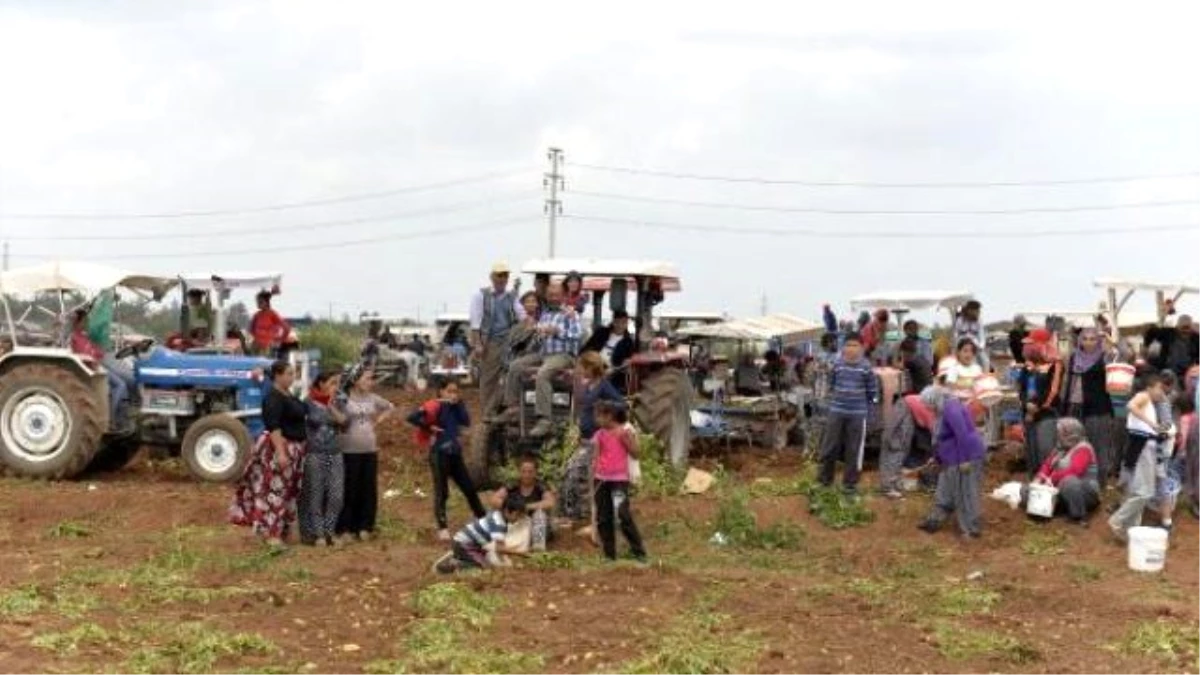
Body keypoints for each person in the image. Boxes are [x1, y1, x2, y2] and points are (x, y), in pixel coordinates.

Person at [229, 361, 306, 549]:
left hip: (295, 448)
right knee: (275, 492)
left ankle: (284, 532)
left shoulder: (289, 395)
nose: (292, 377)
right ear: (277, 376)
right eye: (288, 373)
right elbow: (274, 427)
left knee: (288, 493)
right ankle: (271, 535)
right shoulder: (273, 398)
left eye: (293, 373)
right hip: (281, 448)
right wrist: (280, 452)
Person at [407, 378, 486, 541]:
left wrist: (459, 404)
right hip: (439, 454)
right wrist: (429, 427)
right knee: (442, 491)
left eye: (455, 391)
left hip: (455, 453)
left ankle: (483, 519)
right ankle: (442, 526)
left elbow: (466, 421)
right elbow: (412, 417)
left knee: (469, 488)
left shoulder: (456, 407)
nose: (453, 394)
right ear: (441, 391)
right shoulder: (434, 405)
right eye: (449, 391)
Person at [499, 284, 582, 437]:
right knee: (515, 365)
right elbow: (539, 339)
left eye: (556, 294)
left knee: (543, 373)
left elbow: (576, 335)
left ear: (563, 295)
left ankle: (544, 419)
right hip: (544, 353)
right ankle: (512, 407)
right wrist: (536, 332)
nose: (553, 297)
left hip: (563, 354)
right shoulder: (545, 314)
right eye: (550, 294)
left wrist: (557, 331)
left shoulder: (571, 314)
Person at [560, 352, 626, 521]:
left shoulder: (603, 386)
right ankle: (574, 513)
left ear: (591, 367)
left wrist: (604, 407)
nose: (580, 369)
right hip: (584, 439)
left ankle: (586, 514)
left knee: (578, 473)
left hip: (596, 441)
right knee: (569, 472)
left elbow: (622, 404)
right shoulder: (588, 384)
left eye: (583, 366)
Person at [335, 364, 394, 542]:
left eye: (371, 378)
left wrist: (378, 421)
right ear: (354, 379)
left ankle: (365, 526)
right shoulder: (342, 398)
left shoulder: (372, 398)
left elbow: (390, 406)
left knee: (368, 489)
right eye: (367, 378)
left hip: (369, 449)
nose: (371, 382)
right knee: (349, 489)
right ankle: (346, 528)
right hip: (348, 450)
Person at [917, 385, 985, 538]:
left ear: (934, 400)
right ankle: (934, 521)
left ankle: (971, 529)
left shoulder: (951, 408)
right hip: (951, 458)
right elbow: (943, 438)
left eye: (928, 405)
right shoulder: (942, 410)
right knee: (944, 490)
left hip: (965, 457)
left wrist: (965, 460)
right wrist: (937, 458)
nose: (928, 409)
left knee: (964, 493)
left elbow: (962, 435)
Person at [1109, 374, 1171, 541]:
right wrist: (1152, 424)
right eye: (1158, 388)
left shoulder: (1150, 401)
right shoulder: (1143, 396)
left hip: (1144, 446)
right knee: (1145, 492)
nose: (1161, 391)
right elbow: (1131, 405)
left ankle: (1129, 528)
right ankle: (1118, 521)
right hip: (1143, 447)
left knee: (1138, 490)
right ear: (1150, 387)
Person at [817, 333, 879, 495]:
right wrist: (829, 406)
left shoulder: (866, 367)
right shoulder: (837, 365)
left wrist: (870, 413)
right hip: (836, 412)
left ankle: (849, 486)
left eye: (855, 345)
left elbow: (873, 392)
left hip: (857, 415)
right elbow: (831, 385)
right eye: (848, 345)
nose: (851, 349)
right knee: (829, 447)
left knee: (854, 450)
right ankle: (824, 482)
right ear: (843, 347)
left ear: (862, 348)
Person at [468, 262, 525, 425]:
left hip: (508, 341)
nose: (502, 279)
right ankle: (487, 412)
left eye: (505, 275)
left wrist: (530, 323)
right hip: (490, 341)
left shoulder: (511, 296)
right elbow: (476, 321)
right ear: (492, 277)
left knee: (512, 375)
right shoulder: (481, 295)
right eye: (499, 275)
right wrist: (478, 344)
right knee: (489, 378)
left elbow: (520, 314)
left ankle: (507, 408)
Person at [1060, 327, 1118, 486]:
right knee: (1073, 446)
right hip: (1073, 407)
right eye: (1085, 338)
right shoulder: (1072, 358)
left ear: (1098, 341)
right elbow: (1066, 382)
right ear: (1079, 341)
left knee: (1098, 445)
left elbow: (1126, 355)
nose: (1088, 342)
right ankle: (1074, 479)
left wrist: (1110, 340)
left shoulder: (1105, 357)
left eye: (1093, 339)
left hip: (1098, 409)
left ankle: (1099, 483)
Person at [592, 401, 647, 562]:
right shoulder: (599, 435)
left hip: (618, 481)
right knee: (603, 517)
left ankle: (639, 552)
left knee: (623, 514)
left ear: (609, 416)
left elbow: (636, 454)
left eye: (599, 416)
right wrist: (593, 480)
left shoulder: (624, 432)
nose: (596, 420)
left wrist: (628, 441)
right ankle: (609, 555)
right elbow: (595, 458)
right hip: (601, 480)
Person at [299, 370, 347, 547]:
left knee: (336, 495)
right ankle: (318, 534)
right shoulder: (308, 402)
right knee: (315, 494)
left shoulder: (340, 401)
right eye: (333, 382)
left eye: (337, 383)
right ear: (321, 384)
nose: (336, 386)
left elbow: (344, 422)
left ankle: (330, 530)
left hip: (335, 452)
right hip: (314, 453)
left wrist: (330, 404)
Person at [1027, 418, 1101, 524]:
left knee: (1069, 482)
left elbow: (1074, 471)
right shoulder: (1060, 448)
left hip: (1084, 493)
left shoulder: (1084, 448)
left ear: (1069, 433)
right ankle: (1053, 509)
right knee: (1027, 490)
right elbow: (1047, 465)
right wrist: (1039, 480)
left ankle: (1078, 516)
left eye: (1060, 432)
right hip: (1058, 489)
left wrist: (1051, 480)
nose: (1057, 435)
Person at [433, 495, 529, 574]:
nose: (518, 519)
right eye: (517, 515)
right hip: (464, 545)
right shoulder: (499, 524)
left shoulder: (497, 515)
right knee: (484, 569)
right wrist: (521, 553)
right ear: (507, 511)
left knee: (487, 560)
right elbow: (500, 549)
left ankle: (460, 556)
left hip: (470, 544)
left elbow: (499, 548)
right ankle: (454, 564)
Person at [68, 308, 128, 428]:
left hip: (98, 365)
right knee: (121, 385)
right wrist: (95, 357)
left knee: (123, 381)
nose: (86, 324)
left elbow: (96, 351)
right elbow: (83, 355)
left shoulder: (84, 337)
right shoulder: (74, 338)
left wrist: (104, 352)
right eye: (84, 321)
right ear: (77, 322)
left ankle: (122, 419)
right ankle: (111, 418)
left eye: (87, 321)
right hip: (91, 369)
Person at [1018, 329, 1063, 476]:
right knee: (1032, 452)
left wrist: (1036, 407)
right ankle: (1034, 484)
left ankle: (1049, 484)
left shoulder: (1055, 364)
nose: (1029, 348)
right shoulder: (1027, 365)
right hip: (1028, 414)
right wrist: (1026, 405)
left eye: (1032, 344)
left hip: (1047, 414)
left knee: (1046, 450)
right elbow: (1022, 388)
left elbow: (1053, 390)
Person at [492, 455, 558, 552]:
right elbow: (494, 499)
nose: (527, 475)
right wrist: (513, 507)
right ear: (519, 471)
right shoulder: (512, 485)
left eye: (530, 472)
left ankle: (537, 547)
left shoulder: (541, 486)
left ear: (535, 472)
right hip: (516, 521)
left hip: (536, 525)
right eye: (523, 471)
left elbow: (550, 502)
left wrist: (526, 507)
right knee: (496, 515)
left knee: (539, 514)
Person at [582, 310, 635, 392]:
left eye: (623, 323)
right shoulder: (601, 332)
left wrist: (624, 364)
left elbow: (628, 361)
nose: (620, 325)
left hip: (611, 371)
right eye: (617, 322)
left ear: (627, 324)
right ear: (613, 322)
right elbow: (587, 347)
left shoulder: (628, 342)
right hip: (592, 364)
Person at [249, 291, 290, 357]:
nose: (258, 304)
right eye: (257, 302)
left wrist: (280, 340)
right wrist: (257, 337)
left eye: (260, 302)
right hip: (256, 345)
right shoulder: (257, 315)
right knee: (251, 364)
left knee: (262, 365)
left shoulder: (272, 314)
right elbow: (251, 329)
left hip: (267, 346)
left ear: (266, 302)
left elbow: (286, 328)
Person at [953, 300, 988, 370]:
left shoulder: (979, 321)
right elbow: (956, 333)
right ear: (970, 310)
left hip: (975, 345)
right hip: (962, 343)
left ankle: (985, 374)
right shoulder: (960, 320)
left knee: (985, 361)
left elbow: (981, 335)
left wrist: (981, 346)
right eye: (976, 310)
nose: (978, 312)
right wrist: (957, 345)